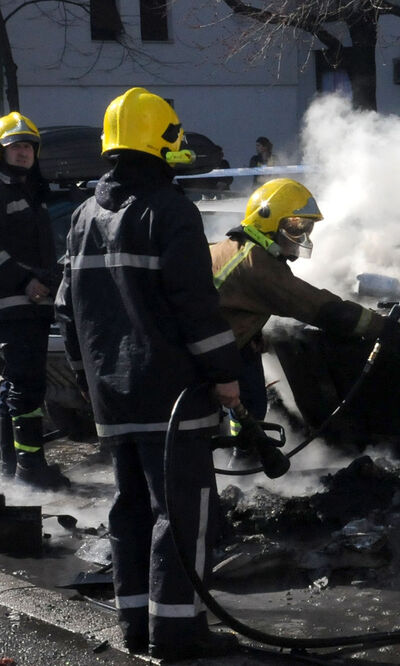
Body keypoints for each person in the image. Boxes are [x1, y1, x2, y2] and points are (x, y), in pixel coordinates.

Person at [54, 87, 243, 661]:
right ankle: (178, 634)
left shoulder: (85, 214)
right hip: (173, 395)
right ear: (162, 141)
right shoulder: (170, 208)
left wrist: (91, 383)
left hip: (114, 397)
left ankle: (135, 627)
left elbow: (69, 312)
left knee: (130, 509)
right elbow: (194, 305)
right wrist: (225, 375)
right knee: (181, 514)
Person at [210, 177, 390, 427]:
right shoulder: (256, 264)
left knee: (249, 406)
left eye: (307, 228)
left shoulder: (242, 249)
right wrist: (382, 328)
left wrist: (251, 331)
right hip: (203, 355)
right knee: (233, 413)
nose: (302, 235)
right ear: (267, 220)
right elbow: (317, 307)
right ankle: (242, 454)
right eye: (295, 226)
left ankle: (244, 448)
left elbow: (231, 305)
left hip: (223, 345)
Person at [0, 111, 68, 489]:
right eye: (15, 147)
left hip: (34, 305)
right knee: (25, 385)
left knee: (14, 385)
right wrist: (26, 280)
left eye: (28, 146)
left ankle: (12, 468)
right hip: (12, 304)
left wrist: (49, 279)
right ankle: (31, 469)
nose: (23, 153)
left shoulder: (32, 193)